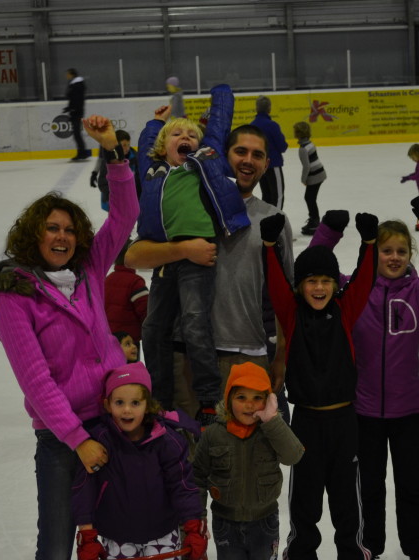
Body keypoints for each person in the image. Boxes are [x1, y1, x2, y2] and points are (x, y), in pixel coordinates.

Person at [0, 115, 139, 560]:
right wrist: (76, 440)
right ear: (32, 235)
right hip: (64, 440)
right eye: (51, 229)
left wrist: (115, 157)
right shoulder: (13, 296)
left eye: (69, 228)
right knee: (53, 559)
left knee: (119, 542)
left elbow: (126, 216)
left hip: (119, 424)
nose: (62, 237)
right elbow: (36, 381)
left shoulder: (91, 270)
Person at [308, 196, 419, 560]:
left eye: (401, 251)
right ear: (374, 251)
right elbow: (312, 271)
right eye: (386, 250)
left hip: (409, 409)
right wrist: (329, 232)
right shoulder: (352, 291)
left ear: (410, 253)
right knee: (367, 487)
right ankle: (367, 548)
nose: (393, 257)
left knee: (413, 485)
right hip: (363, 410)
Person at [126, 125, 295, 420]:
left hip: (247, 353)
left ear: (267, 164)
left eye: (257, 155)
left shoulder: (274, 219)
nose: (248, 160)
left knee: (249, 460)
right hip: (185, 357)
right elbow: (133, 256)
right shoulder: (188, 203)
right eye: (240, 151)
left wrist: (281, 355)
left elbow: (285, 297)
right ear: (221, 156)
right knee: (191, 459)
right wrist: (184, 249)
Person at [261, 210, 376, 560]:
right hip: (306, 421)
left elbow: (364, 281)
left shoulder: (344, 311)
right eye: (312, 281)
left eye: (327, 280)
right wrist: (270, 246)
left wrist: (370, 244)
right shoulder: (291, 315)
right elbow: (275, 286)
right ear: (301, 285)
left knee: (348, 501)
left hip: (345, 422)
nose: (320, 287)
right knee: (305, 503)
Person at [71, 362, 208, 560]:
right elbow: (84, 490)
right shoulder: (99, 441)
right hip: (119, 538)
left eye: (135, 402)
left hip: (162, 534)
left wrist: (192, 526)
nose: (127, 410)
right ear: (107, 405)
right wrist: (88, 537)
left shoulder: (167, 440)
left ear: (148, 404)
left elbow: (184, 487)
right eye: (119, 403)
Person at [134, 84, 250, 424]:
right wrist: (155, 125)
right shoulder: (153, 171)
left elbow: (219, 127)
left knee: (195, 324)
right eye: (177, 135)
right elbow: (144, 148)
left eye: (191, 134)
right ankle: (159, 396)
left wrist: (221, 95)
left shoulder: (205, 161)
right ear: (163, 146)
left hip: (199, 255)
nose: (185, 137)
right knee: (154, 328)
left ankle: (210, 396)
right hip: (165, 258)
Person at [190, 362, 304, 560]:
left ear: (267, 400)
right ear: (228, 399)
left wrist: (272, 420)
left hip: (264, 521)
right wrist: (197, 516)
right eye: (241, 397)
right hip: (226, 522)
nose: (249, 405)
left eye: (257, 398)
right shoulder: (214, 435)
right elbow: (197, 476)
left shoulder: (270, 430)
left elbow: (294, 455)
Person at [105, 241, 148, 358]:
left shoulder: (106, 280)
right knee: (130, 373)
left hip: (108, 340)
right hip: (129, 342)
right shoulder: (136, 282)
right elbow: (146, 313)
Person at [251, 95, 288, 209]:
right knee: (278, 195)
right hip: (273, 164)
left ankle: (265, 220)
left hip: (259, 166)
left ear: (257, 108)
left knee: (266, 195)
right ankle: (276, 222)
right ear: (269, 109)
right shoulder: (272, 125)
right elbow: (282, 146)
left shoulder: (252, 126)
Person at [90, 129, 140, 211]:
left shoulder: (135, 157)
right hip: (113, 203)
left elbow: (138, 179)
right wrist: (116, 195)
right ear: (116, 145)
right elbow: (103, 183)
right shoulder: (109, 161)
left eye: (128, 144)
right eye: (124, 145)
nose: (127, 148)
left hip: (131, 200)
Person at [294, 120, 326, 236]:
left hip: (315, 175)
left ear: (297, 134)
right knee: (310, 198)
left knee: (309, 198)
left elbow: (306, 166)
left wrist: (303, 179)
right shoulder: (310, 143)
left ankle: (315, 222)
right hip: (320, 172)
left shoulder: (303, 149)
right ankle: (314, 220)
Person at [64, 68, 90, 161]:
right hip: (76, 111)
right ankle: (82, 152)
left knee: (77, 133)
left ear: (72, 74)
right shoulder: (75, 84)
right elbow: (73, 99)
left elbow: (77, 99)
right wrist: (69, 108)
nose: (66, 76)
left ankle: (82, 153)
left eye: (68, 74)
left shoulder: (77, 85)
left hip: (77, 112)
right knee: (77, 133)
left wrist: (73, 108)